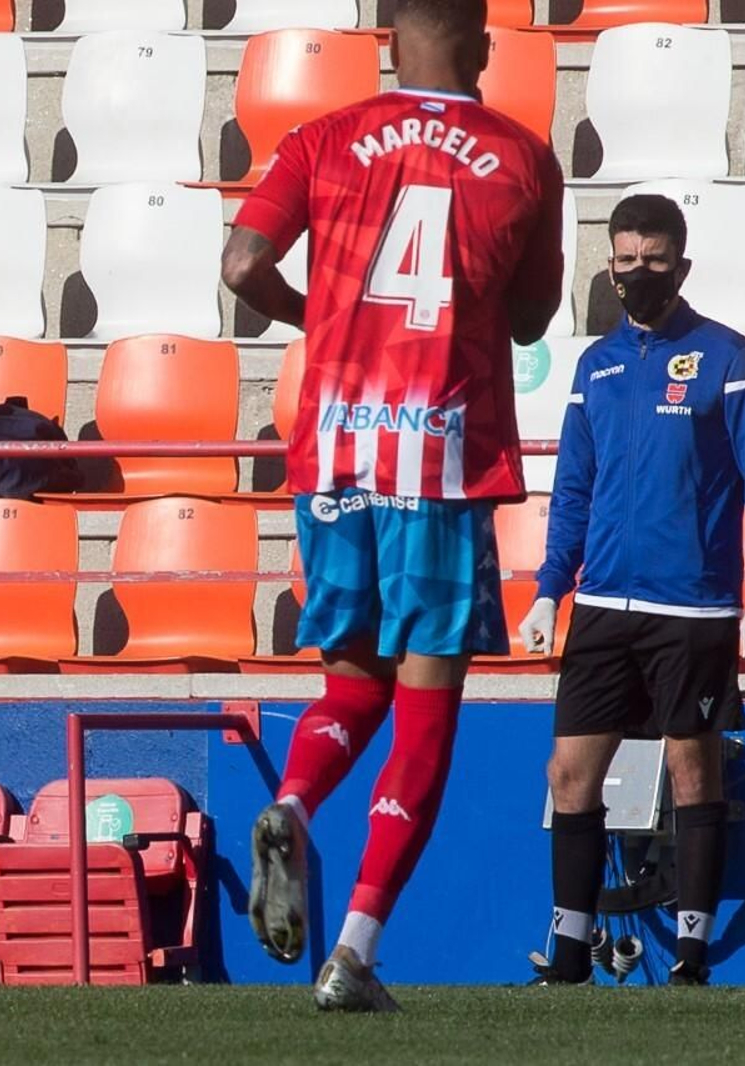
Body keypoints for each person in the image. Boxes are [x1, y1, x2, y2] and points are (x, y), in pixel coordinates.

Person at [221, 0, 566, 1011]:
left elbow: (241, 265)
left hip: (334, 454)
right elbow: (533, 316)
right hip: (439, 459)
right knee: (424, 710)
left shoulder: (322, 137)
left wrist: (322, 313)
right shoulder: (522, 157)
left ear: (385, 40)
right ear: (482, 44)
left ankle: (293, 803)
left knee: (353, 685)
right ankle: (355, 952)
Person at [520, 195, 745, 987]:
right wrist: (549, 589)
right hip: (604, 604)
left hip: (694, 609)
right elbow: (573, 490)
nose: (637, 273)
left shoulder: (728, 357)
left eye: (652, 260)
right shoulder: (596, 366)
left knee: (692, 773)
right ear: (608, 265)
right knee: (569, 775)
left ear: (682, 266)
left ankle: (690, 956)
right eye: (625, 260)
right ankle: (570, 955)